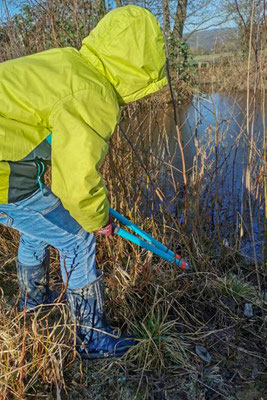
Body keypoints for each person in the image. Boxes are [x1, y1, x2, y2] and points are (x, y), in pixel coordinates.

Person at [0, 5, 167, 359]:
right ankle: (92, 338)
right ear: (137, 67)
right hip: (4, 176)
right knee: (77, 238)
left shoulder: (68, 62)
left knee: (38, 227)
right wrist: (97, 219)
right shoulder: (93, 93)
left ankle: (33, 306)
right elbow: (75, 182)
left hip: (12, 169)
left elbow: (44, 136)